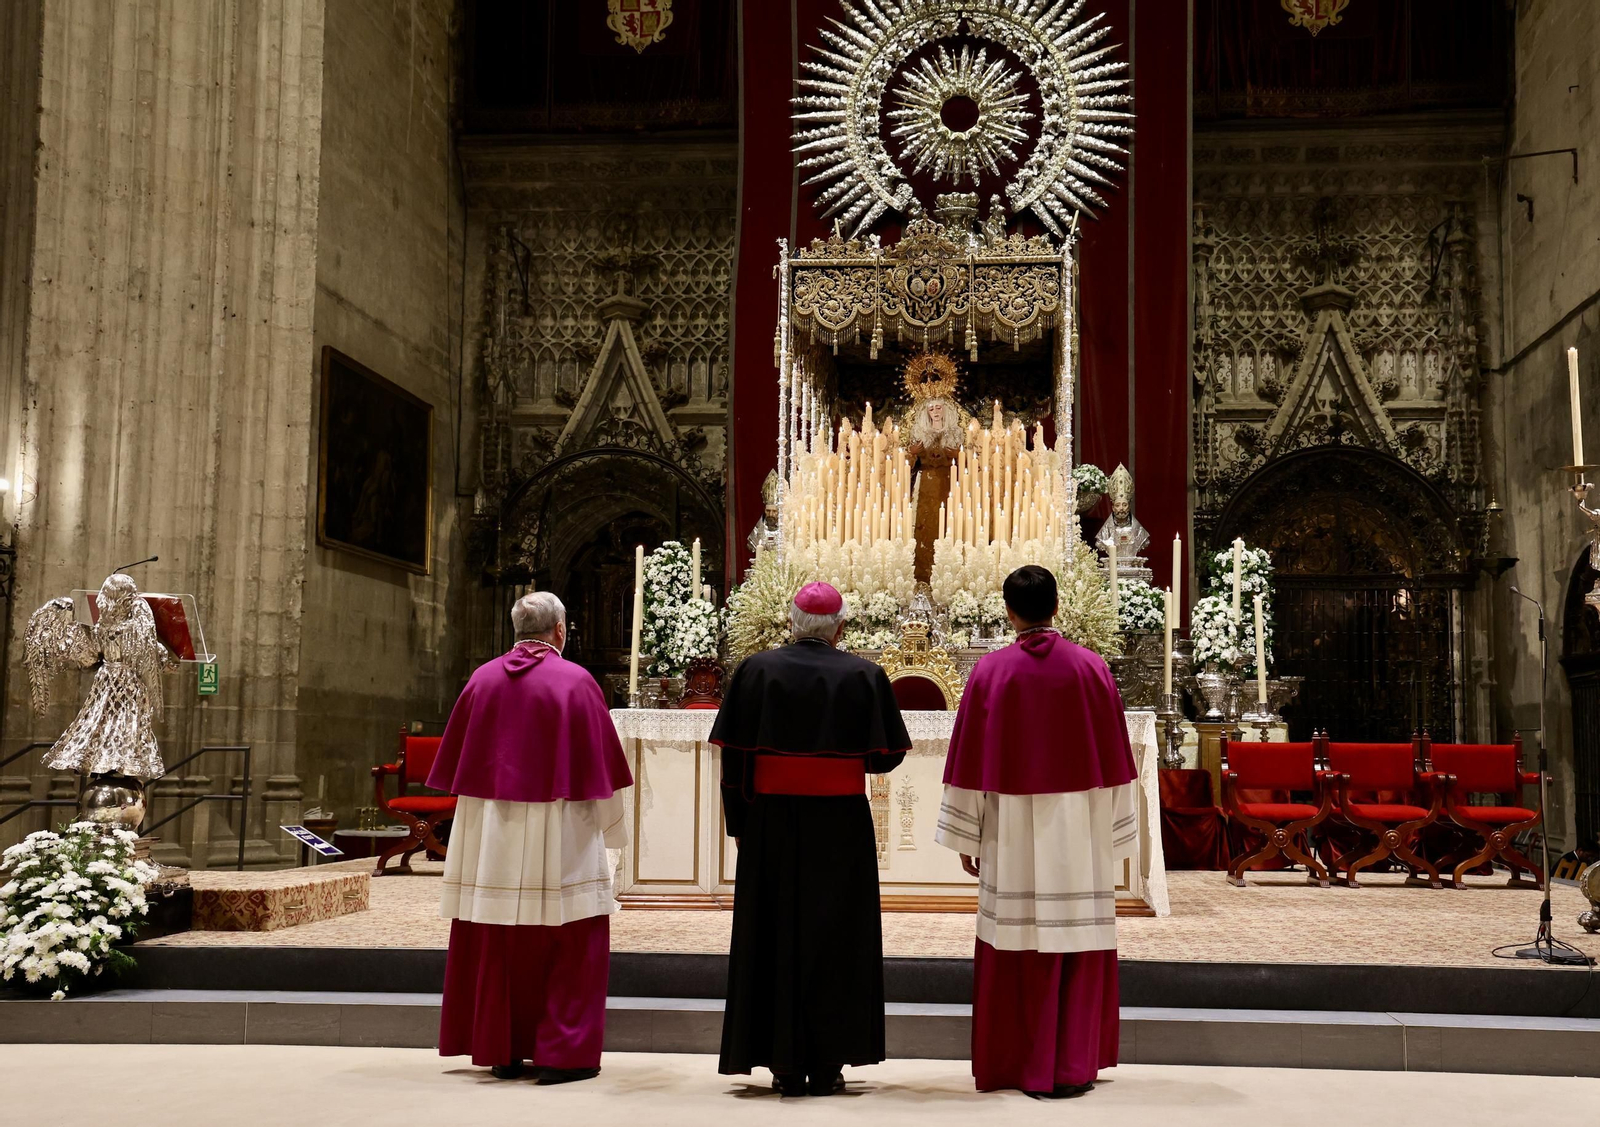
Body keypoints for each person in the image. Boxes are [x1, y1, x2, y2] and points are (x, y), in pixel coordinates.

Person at [935, 565, 1138, 1099]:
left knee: (1017, 940)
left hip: (1012, 833)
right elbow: (1117, 761)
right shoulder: (1092, 668)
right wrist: (1116, 837)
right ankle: (1072, 1064)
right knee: (1075, 936)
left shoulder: (991, 672)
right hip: (1080, 831)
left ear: (1009, 611)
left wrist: (968, 836)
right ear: (1056, 606)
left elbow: (968, 760)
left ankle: (1016, 1063)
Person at [711, 581, 911, 1097]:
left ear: (789, 622)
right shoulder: (865, 674)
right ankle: (828, 1064)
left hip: (770, 822)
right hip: (841, 825)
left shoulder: (756, 670)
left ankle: (781, 1061)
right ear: (841, 627)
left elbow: (734, 761)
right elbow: (887, 755)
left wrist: (740, 825)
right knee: (837, 937)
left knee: (773, 932)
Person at [427, 591, 633, 1083]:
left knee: (497, 935)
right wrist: (612, 827)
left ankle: (502, 1047)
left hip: (491, 831)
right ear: (560, 630)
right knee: (569, 936)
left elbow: (462, 765)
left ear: (516, 629)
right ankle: (564, 1054)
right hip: (561, 830)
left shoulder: (481, 680)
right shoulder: (577, 682)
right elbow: (599, 772)